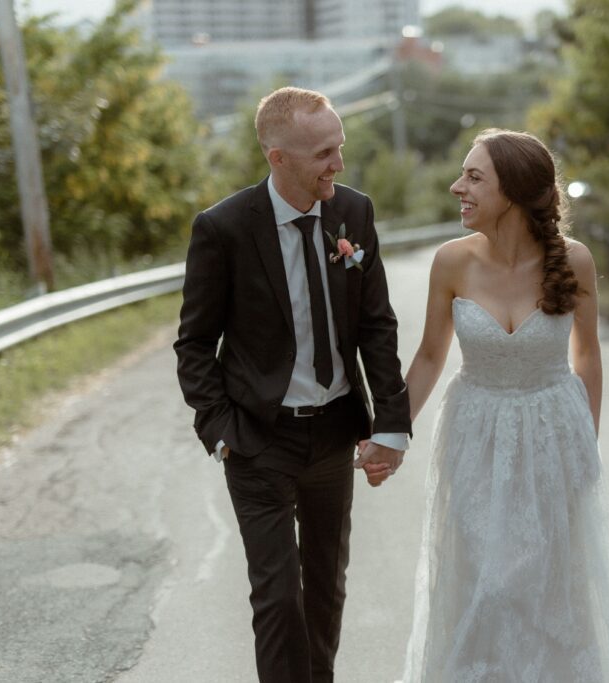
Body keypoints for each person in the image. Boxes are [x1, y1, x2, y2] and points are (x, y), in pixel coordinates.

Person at [174, 86, 411, 683]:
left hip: (333, 434)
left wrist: (390, 424)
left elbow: (377, 324)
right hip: (258, 439)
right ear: (278, 157)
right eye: (324, 152)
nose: (338, 163)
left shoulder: (353, 213)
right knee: (278, 597)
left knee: (325, 592)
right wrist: (220, 430)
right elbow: (195, 344)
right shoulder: (224, 228)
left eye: (340, 147)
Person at [393, 129, 609, 681]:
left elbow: (587, 355)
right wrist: (390, 433)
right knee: (486, 584)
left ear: (516, 192)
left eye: (474, 177)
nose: (458, 187)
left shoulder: (575, 261)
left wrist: (584, 451)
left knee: (546, 588)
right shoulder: (452, 262)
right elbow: (429, 356)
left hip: (553, 436)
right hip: (474, 437)